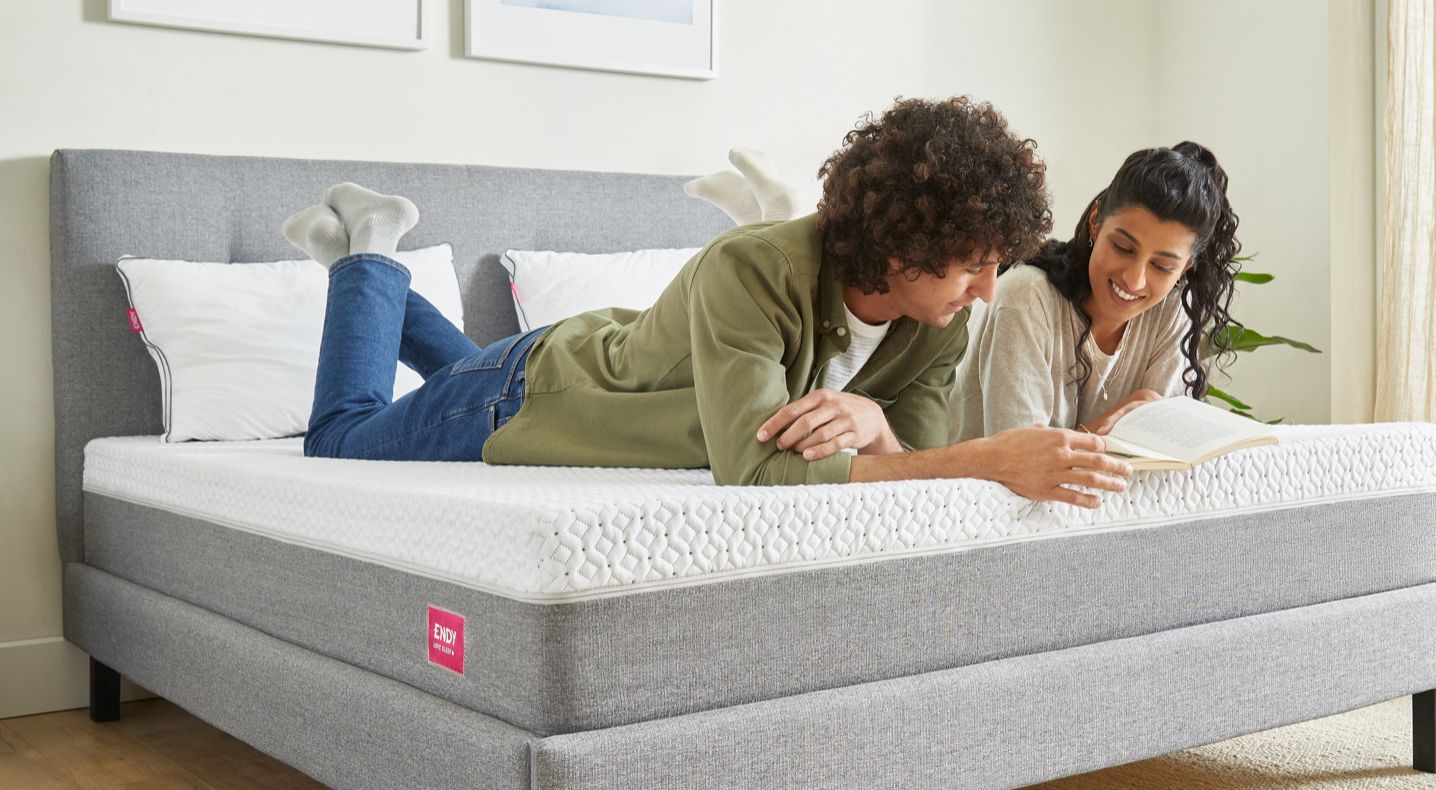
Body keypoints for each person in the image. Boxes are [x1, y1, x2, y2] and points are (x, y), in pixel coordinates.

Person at [280, 97, 1132, 507]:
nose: (988, 291)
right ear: (902, 249)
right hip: (528, 393)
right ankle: (368, 253)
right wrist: (989, 459)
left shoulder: (940, 317)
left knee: (455, 377)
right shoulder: (750, 266)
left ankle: (370, 281)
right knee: (339, 438)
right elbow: (753, 465)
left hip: (577, 360)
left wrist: (875, 424)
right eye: (971, 266)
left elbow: (906, 458)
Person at [948, 142, 1243, 441]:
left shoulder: (1172, 311)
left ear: (1186, 268)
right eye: (1123, 248)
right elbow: (1021, 460)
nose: (1135, 279)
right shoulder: (1026, 298)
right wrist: (1125, 414)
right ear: (1095, 222)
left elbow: (1157, 453)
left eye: (1162, 266)